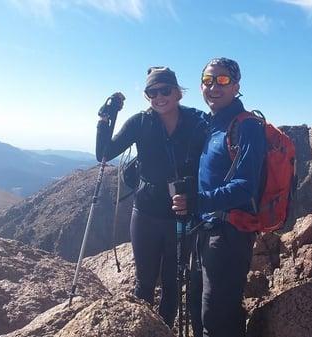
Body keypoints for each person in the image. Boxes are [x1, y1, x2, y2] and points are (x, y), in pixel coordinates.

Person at [96, 67, 207, 327]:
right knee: (144, 282)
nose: (158, 97)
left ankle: (165, 329)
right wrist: (105, 118)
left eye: (164, 90)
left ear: (177, 91)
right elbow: (104, 152)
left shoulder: (198, 120)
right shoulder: (140, 122)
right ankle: (141, 330)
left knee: (172, 282)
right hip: (145, 213)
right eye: (151, 92)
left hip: (181, 213)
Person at [172, 57, 267, 337]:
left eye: (222, 80)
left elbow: (245, 186)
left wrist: (196, 202)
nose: (214, 86)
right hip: (206, 230)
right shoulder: (211, 124)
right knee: (202, 312)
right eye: (207, 80)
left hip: (229, 234)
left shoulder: (247, 127)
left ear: (236, 86)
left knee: (215, 316)